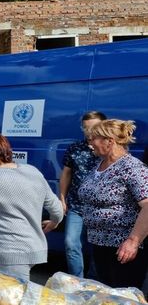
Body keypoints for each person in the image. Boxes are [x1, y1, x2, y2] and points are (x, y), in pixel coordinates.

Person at [0, 132, 63, 281]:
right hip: (36, 248)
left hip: (12, 252)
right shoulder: (32, 171)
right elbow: (57, 209)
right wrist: (54, 223)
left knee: (12, 300)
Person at [78, 119, 148, 288]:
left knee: (123, 300)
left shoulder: (132, 168)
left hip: (123, 248)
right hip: (99, 243)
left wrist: (133, 241)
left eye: (93, 139)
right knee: (105, 298)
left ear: (109, 141)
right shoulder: (99, 164)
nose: (90, 144)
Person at [59, 111, 106, 277]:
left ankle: (94, 282)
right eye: (85, 128)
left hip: (101, 209)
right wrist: (62, 199)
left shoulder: (109, 149)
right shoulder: (75, 148)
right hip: (77, 206)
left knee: (98, 249)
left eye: (93, 127)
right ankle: (76, 280)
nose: (89, 131)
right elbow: (66, 174)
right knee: (71, 243)